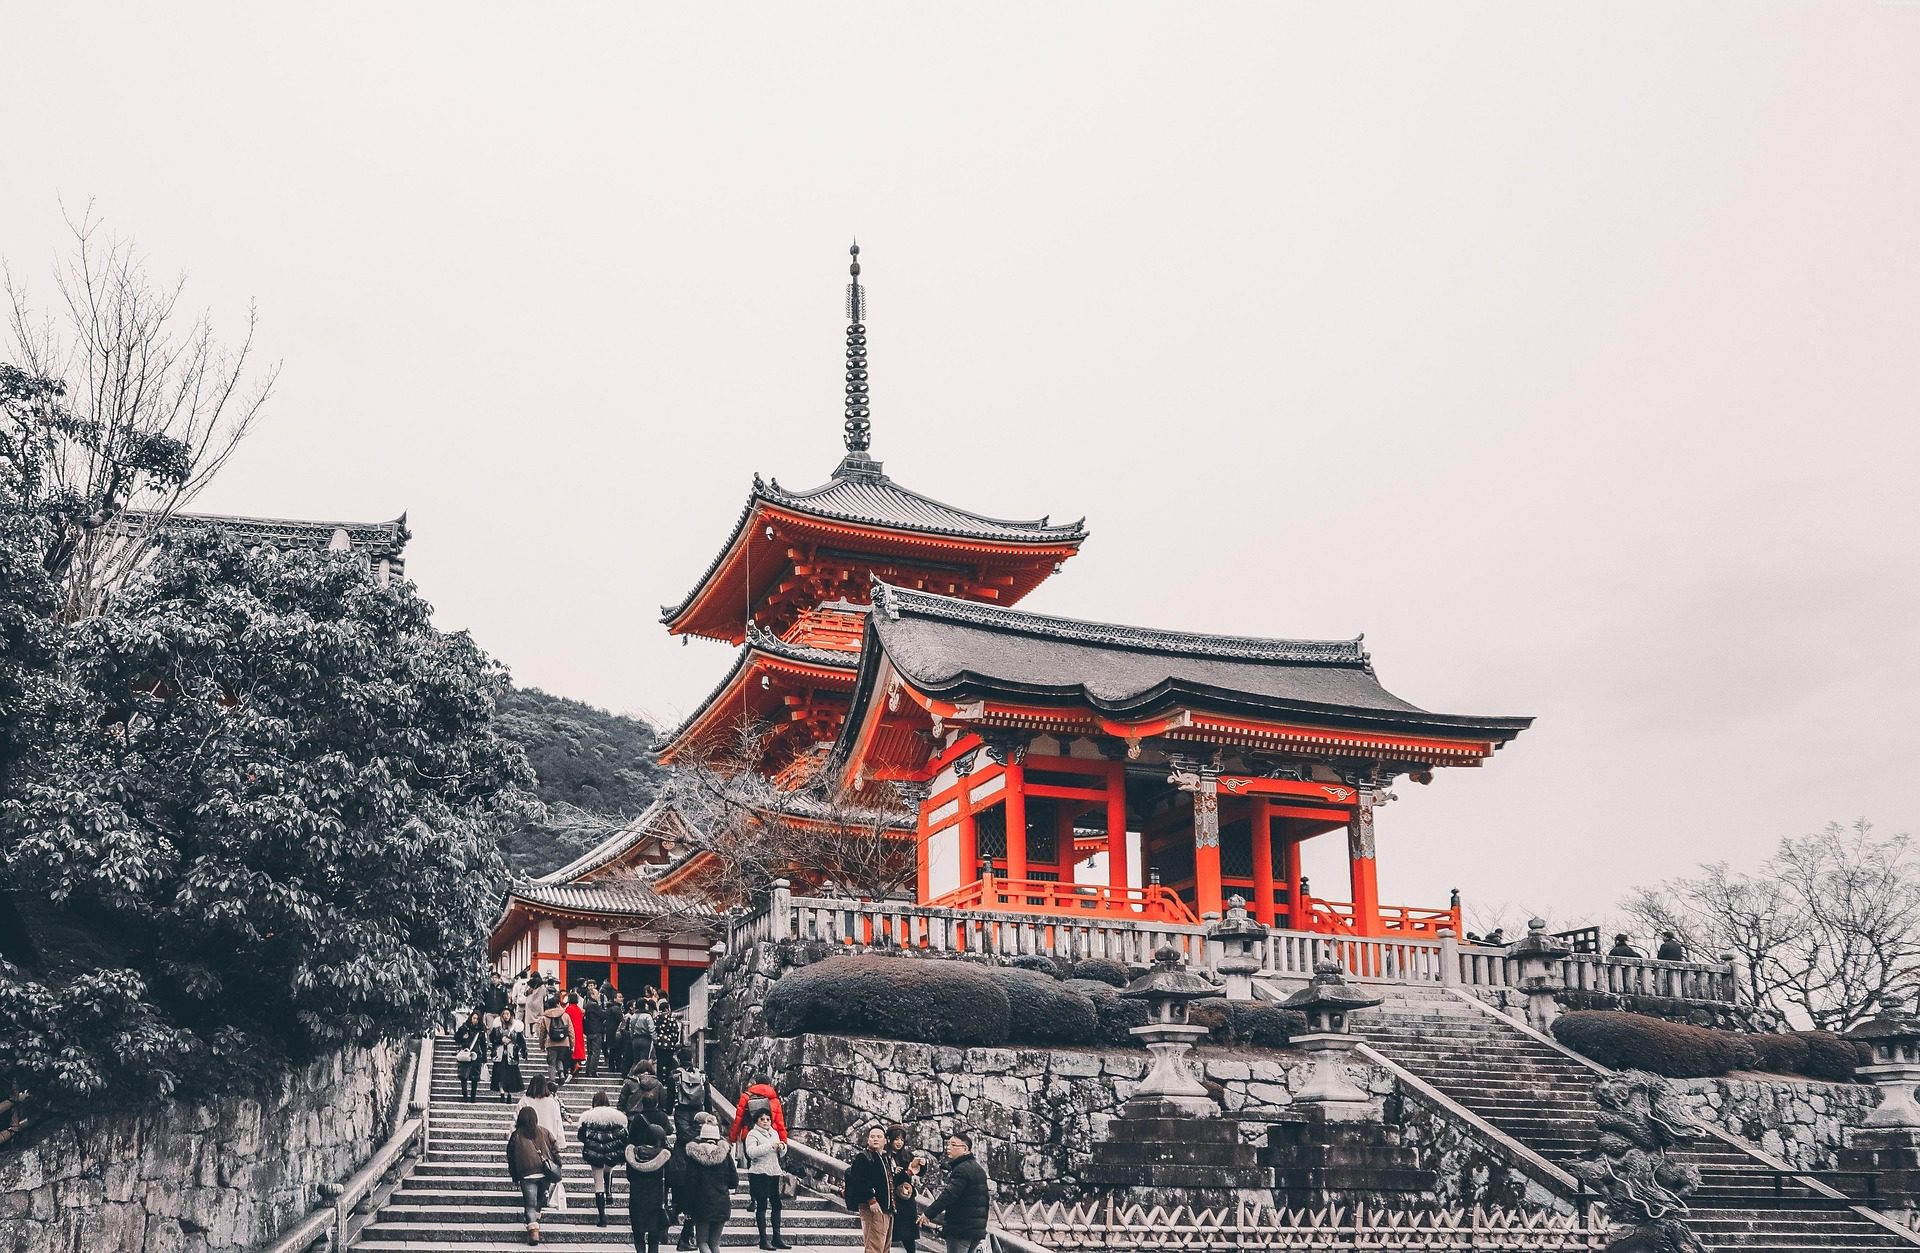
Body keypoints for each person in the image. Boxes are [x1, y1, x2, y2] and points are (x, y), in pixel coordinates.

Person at [679, 1112, 738, 1253]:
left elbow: (690, 1184)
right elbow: (734, 1181)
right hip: (722, 1203)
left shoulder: (694, 1157)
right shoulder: (725, 1156)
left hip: (701, 1204)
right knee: (715, 1243)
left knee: (703, 1242)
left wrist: (687, 1208)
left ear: (702, 1136)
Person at [923, 1132, 989, 1253]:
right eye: (948, 1144)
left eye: (953, 1145)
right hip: (976, 1229)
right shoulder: (979, 1169)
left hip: (961, 1229)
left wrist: (928, 1214)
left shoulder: (961, 1170)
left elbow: (948, 1195)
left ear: (965, 1149)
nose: (948, 1148)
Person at [507, 1103, 562, 1246]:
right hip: (545, 1173)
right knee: (539, 1200)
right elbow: (555, 1149)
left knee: (529, 1205)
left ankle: (534, 1231)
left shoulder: (515, 1136)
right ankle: (537, 1215)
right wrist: (558, 1164)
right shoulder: (544, 1131)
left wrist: (514, 1176)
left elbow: (511, 1158)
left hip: (527, 1175)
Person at [580, 1089, 630, 1228]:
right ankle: (609, 1192)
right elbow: (623, 1135)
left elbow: (581, 1135)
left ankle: (602, 1217)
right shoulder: (617, 1117)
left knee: (598, 1182)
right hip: (611, 1154)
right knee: (608, 1170)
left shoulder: (588, 1117)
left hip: (595, 1154)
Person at [625, 1115, 673, 1253]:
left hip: (636, 1197)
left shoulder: (633, 1153)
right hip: (656, 1199)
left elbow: (630, 1176)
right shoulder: (664, 1156)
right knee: (654, 1237)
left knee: (638, 1234)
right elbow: (670, 1178)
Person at [845, 1124, 895, 1253]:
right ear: (868, 1140)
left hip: (886, 1207)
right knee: (874, 1246)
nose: (875, 1139)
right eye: (872, 1137)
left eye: (879, 1137)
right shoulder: (864, 1157)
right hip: (873, 1206)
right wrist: (871, 1199)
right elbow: (860, 1180)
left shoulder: (884, 1158)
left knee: (884, 1247)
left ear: (885, 1140)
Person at [743, 1110, 788, 1250]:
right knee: (762, 1205)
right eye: (762, 1119)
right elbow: (751, 1153)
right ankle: (763, 1239)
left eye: (768, 1119)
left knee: (777, 1205)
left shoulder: (774, 1133)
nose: (765, 1121)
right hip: (759, 1172)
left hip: (774, 1172)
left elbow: (781, 1152)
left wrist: (782, 1147)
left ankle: (777, 1237)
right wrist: (769, 1145)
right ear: (756, 1120)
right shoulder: (752, 1134)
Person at [886, 1124, 922, 1253]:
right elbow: (891, 1179)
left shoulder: (907, 1155)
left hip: (906, 1198)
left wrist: (921, 1165)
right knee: (888, 1233)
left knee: (908, 1235)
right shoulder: (886, 1156)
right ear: (889, 1140)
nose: (899, 1142)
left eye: (901, 1139)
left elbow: (918, 1172)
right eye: (896, 1139)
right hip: (892, 1198)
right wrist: (905, 1173)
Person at [729, 1073, 788, 1145]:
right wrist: (784, 1142)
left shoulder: (746, 1096)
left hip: (750, 1135)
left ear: (756, 1083)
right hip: (770, 1137)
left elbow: (739, 1119)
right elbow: (780, 1124)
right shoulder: (775, 1100)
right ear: (769, 1084)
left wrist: (733, 1137)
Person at [519, 1074, 570, 1150]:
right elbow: (558, 1122)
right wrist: (560, 1142)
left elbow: (517, 1121)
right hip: (549, 1140)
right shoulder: (552, 1102)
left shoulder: (524, 1100)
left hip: (528, 1141)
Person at [454, 1009, 489, 1102]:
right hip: (466, 1054)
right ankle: (465, 1095)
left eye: (477, 1019)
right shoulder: (464, 1027)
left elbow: (483, 1045)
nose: (475, 1020)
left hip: (476, 1055)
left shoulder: (481, 1030)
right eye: (474, 1018)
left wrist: (484, 1059)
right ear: (471, 1018)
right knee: (463, 1076)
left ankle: (473, 1097)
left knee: (475, 1077)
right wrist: (462, 1037)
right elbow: (456, 1037)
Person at [491, 1009, 527, 1101]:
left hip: (511, 1055)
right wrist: (500, 1040)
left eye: (508, 1014)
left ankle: (509, 1093)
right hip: (499, 1055)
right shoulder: (497, 1028)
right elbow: (492, 1039)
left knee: (511, 1076)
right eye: (504, 1014)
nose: (506, 1016)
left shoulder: (516, 1028)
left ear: (511, 1015)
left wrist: (523, 1051)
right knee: (499, 1075)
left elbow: (521, 1041)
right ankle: (502, 1093)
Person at [541, 994, 575, 1084]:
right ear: (557, 1004)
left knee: (551, 1062)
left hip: (551, 1042)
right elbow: (571, 1031)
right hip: (564, 1042)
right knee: (560, 1059)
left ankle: (552, 1080)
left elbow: (542, 1033)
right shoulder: (565, 1015)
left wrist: (541, 1045)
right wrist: (572, 1045)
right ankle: (561, 1074)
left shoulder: (545, 1017)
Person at [567, 991, 589, 1080]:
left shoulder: (568, 1009)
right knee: (578, 1049)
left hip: (572, 1032)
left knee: (572, 1050)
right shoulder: (579, 1010)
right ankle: (577, 1064)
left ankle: (575, 1066)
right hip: (579, 1031)